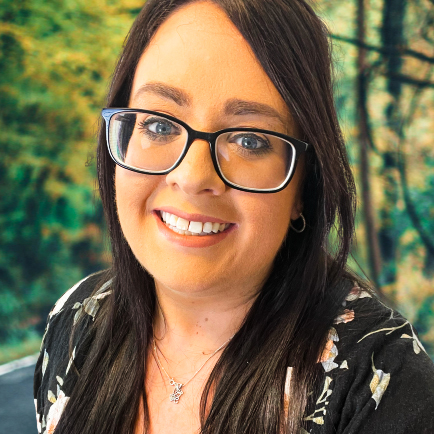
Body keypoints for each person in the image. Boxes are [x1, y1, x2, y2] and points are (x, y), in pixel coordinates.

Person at [33, 1, 434, 433]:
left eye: (249, 140)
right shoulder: (78, 320)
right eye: (160, 125)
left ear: (304, 185)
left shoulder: (385, 387)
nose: (192, 178)